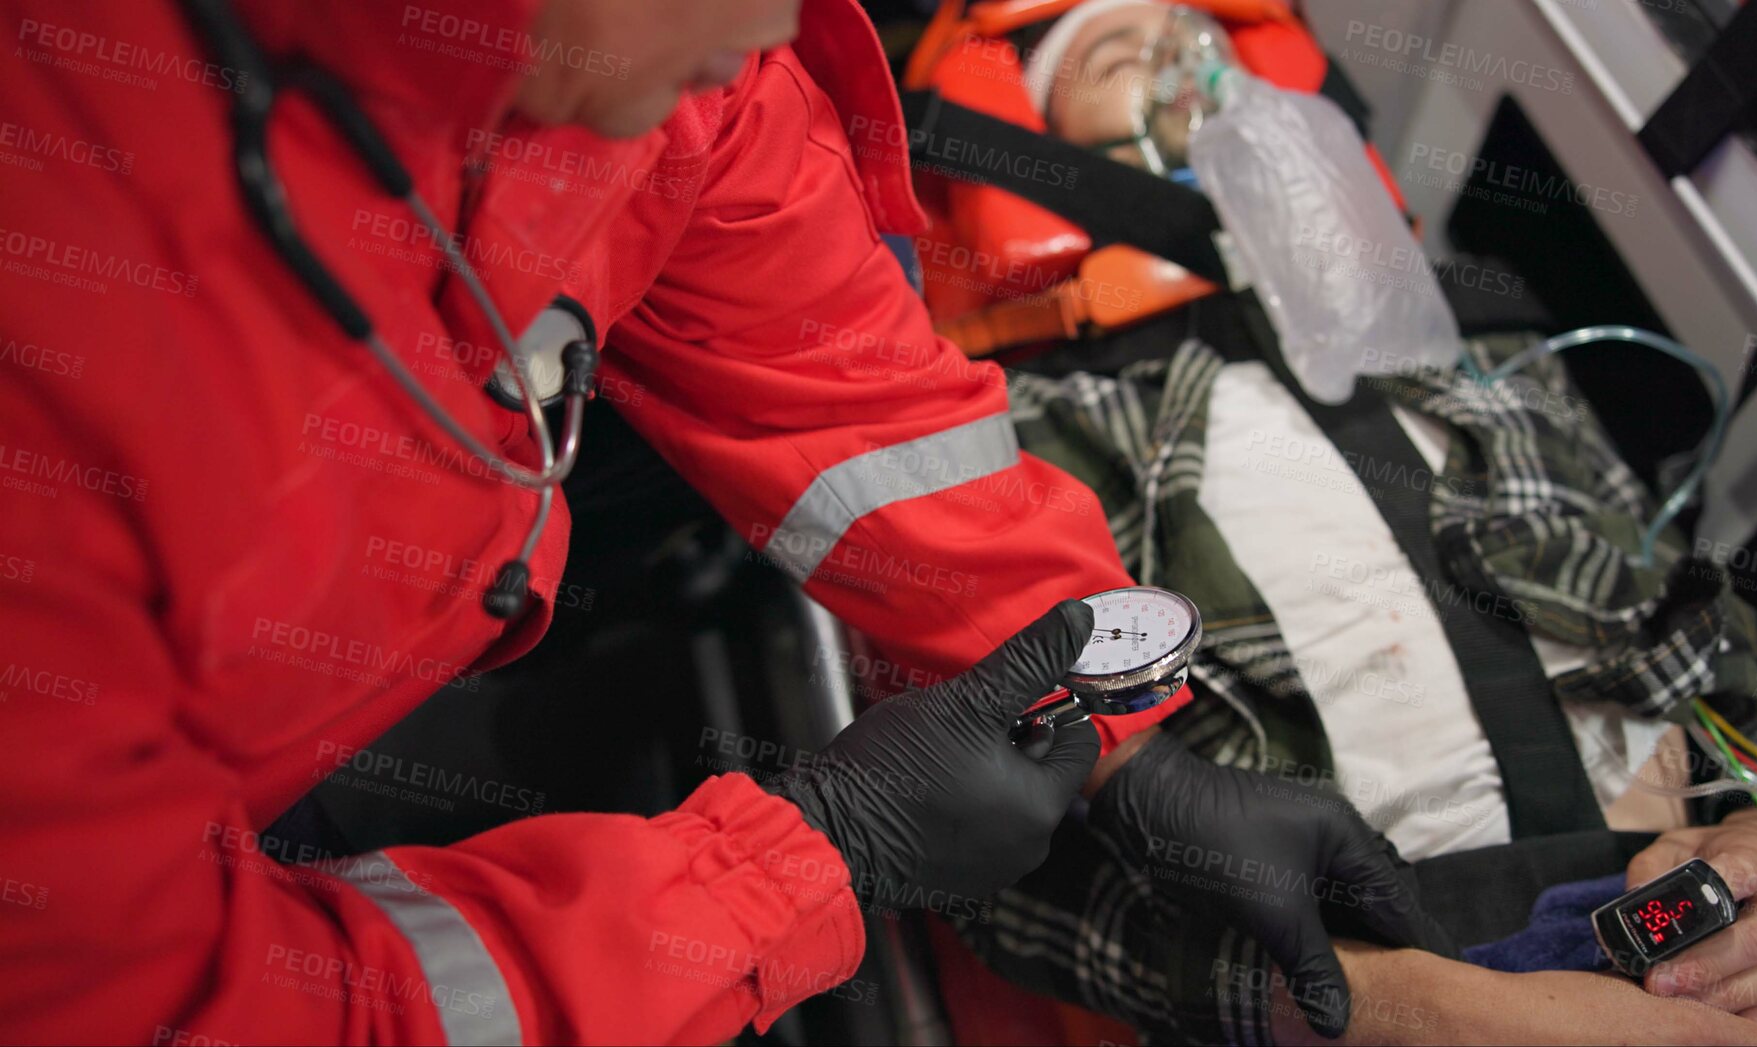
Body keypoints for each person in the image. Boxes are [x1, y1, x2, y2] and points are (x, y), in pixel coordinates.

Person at [0, 0, 1442, 1042]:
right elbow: (129, 1004)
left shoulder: (661, 53)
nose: (784, 16)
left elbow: (847, 392)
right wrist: (811, 855)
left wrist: (1126, 736)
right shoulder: (63, 364)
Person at [896, 1, 1757, 1042]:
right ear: (1023, 156)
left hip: (1715, 937)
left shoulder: (1475, 348)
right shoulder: (1026, 433)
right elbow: (999, 875)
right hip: (1394, 973)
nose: (1186, 62)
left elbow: (1711, 650)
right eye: (1118, 54)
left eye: (1201, 32)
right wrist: (1400, 1009)